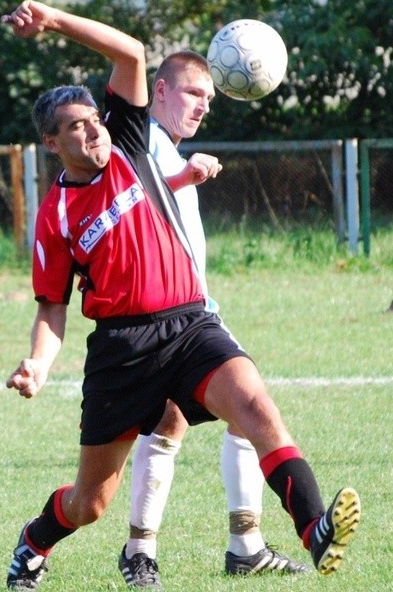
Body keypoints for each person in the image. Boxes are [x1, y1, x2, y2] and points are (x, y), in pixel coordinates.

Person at [1, 0, 361, 591]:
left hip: (191, 324)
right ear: (50, 142)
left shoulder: (131, 147)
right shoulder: (54, 217)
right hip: (124, 351)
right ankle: (35, 540)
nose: (91, 129)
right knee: (90, 503)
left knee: (257, 411)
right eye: (75, 125)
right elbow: (51, 307)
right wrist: (38, 365)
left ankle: (313, 527)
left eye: (94, 118)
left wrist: (55, 20)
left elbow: (130, 53)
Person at [118, 50, 309, 589]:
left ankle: (241, 545)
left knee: (236, 412)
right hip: (158, 319)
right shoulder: (141, 140)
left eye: (208, 96)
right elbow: (138, 195)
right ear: (157, 92)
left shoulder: (168, 146)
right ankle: (140, 553)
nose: (202, 105)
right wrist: (185, 175)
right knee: (169, 425)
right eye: (191, 93)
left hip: (198, 312)